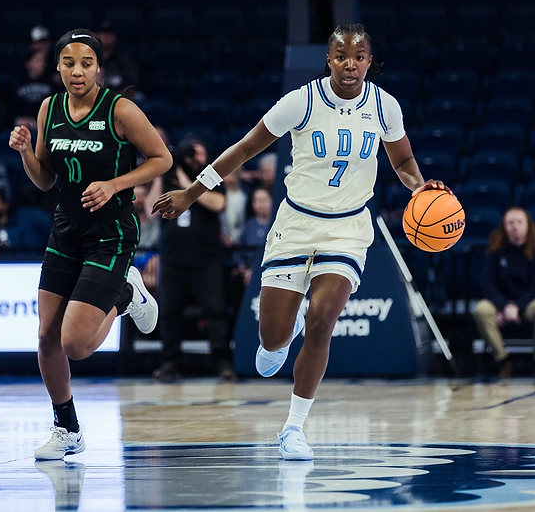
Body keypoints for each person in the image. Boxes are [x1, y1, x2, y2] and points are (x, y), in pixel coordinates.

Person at [153, 24, 450, 461]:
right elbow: (243, 149)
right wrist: (192, 192)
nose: (350, 64)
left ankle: (293, 428)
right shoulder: (302, 101)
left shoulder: (386, 107)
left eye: (360, 56)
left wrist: (419, 188)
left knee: (323, 318)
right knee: (271, 342)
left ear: (370, 61)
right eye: (341, 55)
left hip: (348, 229)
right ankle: (281, 334)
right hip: (295, 225)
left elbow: (402, 159)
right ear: (328, 59)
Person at [8, 29, 171, 461]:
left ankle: (127, 291)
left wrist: (114, 184)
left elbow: (162, 159)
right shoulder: (49, 108)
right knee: (46, 335)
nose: (76, 70)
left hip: (111, 232)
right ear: (57, 66)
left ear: (98, 67)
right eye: (67, 62)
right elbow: (45, 179)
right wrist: (26, 153)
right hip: (65, 230)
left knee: (75, 345)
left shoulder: (120, 109)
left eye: (85, 63)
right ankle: (67, 428)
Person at [147, 135, 233, 384]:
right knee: (170, 312)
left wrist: (188, 186)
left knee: (215, 310)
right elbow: (150, 211)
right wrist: (160, 175)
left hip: (206, 259)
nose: (200, 159)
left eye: (203, 154)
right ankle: (170, 362)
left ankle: (222, 361)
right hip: (173, 259)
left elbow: (219, 204)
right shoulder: (166, 178)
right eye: (195, 154)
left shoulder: (211, 178)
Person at [472, 207, 535, 379]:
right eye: (510, 223)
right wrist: (504, 306)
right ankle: (503, 361)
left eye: (519, 222)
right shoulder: (495, 250)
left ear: (528, 226)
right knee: (481, 310)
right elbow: (487, 284)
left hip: (528, 302)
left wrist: (517, 307)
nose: (514, 226)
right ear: (504, 226)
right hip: (500, 302)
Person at [95, 20, 141, 93]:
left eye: (110, 34)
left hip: (120, 96)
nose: (107, 37)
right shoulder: (89, 58)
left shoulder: (124, 59)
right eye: (103, 33)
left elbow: (132, 83)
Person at [15, 49, 58, 126]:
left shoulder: (52, 83)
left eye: (43, 61)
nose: (41, 64)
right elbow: (13, 107)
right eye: (37, 61)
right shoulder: (17, 83)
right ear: (27, 64)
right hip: (23, 123)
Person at [220, 167, 248, 247]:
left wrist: (233, 238)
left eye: (232, 175)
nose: (229, 179)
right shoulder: (216, 196)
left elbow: (242, 222)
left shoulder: (241, 197)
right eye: (226, 175)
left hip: (236, 242)